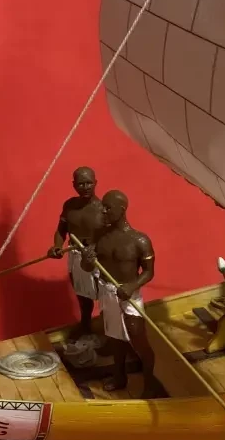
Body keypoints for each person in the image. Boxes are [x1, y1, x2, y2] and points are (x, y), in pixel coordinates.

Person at [80, 190, 164, 398]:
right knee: (114, 337)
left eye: (108, 207)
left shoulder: (140, 240)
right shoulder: (100, 236)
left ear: (122, 209)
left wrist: (132, 286)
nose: (103, 210)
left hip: (129, 296)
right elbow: (88, 267)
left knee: (138, 339)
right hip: (107, 293)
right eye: (103, 206)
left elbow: (149, 272)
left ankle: (150, 382)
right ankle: (119, 376)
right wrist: (86, 260)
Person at [47, 166, 105, 340]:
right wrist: (57, 246)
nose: (85, 187)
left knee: (105, 294)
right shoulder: (69, 206)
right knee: (82, 294)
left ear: (95, 183)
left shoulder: (103, 208)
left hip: (98, 256)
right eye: (81, 184)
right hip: (75, 253)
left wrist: (95, 248)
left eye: (88, 183)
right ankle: (85, 325)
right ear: (74, 185)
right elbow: (61, 230)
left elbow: (111, 236)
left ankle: (110, 330)